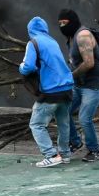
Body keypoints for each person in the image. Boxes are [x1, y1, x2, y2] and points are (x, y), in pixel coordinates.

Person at [19, 17, 74, 167]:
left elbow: (29, 67)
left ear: (30, 30)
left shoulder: (33, 43)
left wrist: (21, 67)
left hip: (51, 92)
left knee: (36, 124)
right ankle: (65, 154)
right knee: (64, 124)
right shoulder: (53, 41)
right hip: (67, 89)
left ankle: (51, 155)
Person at [58, 9, 99, 162]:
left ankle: (94, 149)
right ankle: (75, 141)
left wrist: (70, 77)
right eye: (59, 23)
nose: (62, 26)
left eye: (64, 23)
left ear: (72, 21)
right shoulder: (71, 37)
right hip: (79, 84)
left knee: (84, 118)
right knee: (62, 111)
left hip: (94, 84)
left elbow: (89, 63)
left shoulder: (83, 35)